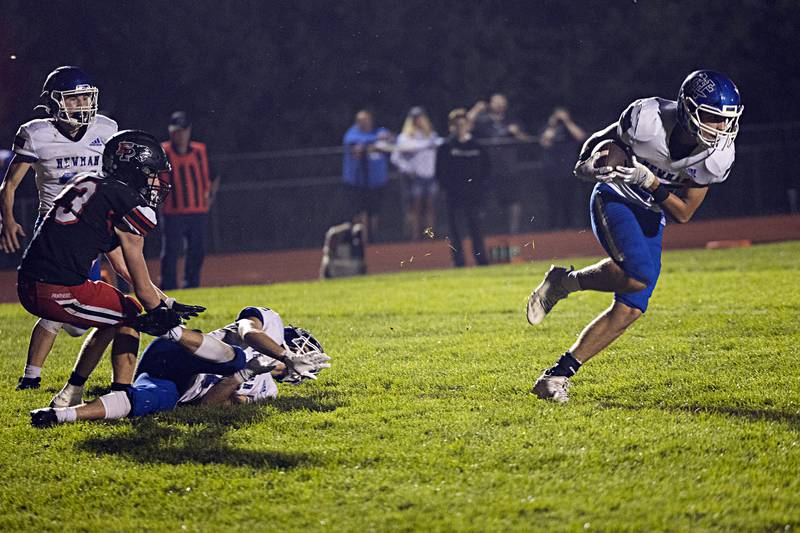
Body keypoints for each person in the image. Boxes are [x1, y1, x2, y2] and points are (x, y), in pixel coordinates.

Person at [526, 70, 743, 402]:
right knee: (639, 275)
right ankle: (562, 285)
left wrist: (652, 184)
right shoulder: (648, 119)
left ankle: (555, 374)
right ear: (687, 109)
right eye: (713, 118)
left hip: (650, 208)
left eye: (727, 120)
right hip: (614, 195)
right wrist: (585, 163)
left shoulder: (717, 155)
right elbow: (603, 137)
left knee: (632, 306)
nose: (721, 128)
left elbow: (683, 213)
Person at [17, 129, 205, 408]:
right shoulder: (125, 200)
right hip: (56, 288)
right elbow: (140, 284)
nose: (155, 181)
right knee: (129, 313)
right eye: (151, 173)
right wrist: (157, 312)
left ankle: (73, 391)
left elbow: (121, 267)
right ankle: (121, 394)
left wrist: (167, 300)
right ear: (134, 170)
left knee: (118, 310)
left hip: (32, 281)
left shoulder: (91, 183)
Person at [0, 66, 118, 390]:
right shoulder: (37, 133)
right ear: (54, 103)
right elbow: (8, 185)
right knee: (58, 303)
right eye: (73, 98)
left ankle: (35, 376)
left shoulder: (106, 129)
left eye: (85, 96)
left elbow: (114, 179)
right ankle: (30, 378)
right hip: (53, 229)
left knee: (72, 317)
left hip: (90, 230)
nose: (81, 104)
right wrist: (7, 220)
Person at [30, 305, 331, 427]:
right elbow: (246, 330)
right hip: (178, 351)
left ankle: (59, 415)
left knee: (148, 402)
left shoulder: (268, 391)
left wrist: (246, 375)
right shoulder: (272, 325)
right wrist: (283, 355)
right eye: (302, 350)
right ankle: (170, 329)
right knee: (236, 357)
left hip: (175, 385)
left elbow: (207, 408)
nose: (303, 356)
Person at [159, 111, 218, 290]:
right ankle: (168, 286)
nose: (181, 135)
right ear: (171, 132)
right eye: (177, 131)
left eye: (183, 130)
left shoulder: (200, 151)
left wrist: (210, 196)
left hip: (197, 210)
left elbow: (215, 175)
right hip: (173, 212)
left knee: (197, 251)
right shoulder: (164, 152)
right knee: (171, 252)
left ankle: (191, 285)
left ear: (189, 130)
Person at [468, 93, 532, 234]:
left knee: (513, 200)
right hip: (486, 169)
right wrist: (476, 109)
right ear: (490, 103)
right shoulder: (482, 121)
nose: (500, 105)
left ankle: (513, 231)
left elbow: (526, 140)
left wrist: (517, 133)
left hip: (509, 168)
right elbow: (464, 128)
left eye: (502, 102)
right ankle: (486, 231)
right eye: (496, 102)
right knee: (486, 202)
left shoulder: (511, 120)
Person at [435, 108, 489, 267]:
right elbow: (440, 172)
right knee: (455, 231)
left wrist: (481, 188)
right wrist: (449, 188)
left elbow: (486, 169)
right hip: (454, 195)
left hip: (474, 195)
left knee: (476, 229)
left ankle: (481, 259)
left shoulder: (476, 146)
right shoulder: (446, 146)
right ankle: (458, 261)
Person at [342, 110, 392, 240]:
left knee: (374, 212)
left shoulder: (378, 131)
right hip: (357, 182)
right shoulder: (352, 133)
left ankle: (372, 239)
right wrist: (375, 140)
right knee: (359, 212)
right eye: (361, 120)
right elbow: (354, 142)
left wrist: (386, 138)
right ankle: (359, 239)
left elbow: (392, 139)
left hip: (376, 182)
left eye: (367, 120)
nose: (364, 123)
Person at [390, 107, 440, 240]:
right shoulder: (405, 137)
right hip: (415, 177)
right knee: (415, 208)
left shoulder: (431, 135)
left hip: (430, 175)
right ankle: (415, 237)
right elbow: (396, 157)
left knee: (430, 208)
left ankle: (430, 237)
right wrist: (407, 168)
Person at [538, 107, 588, 228]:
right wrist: (553, 126)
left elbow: (581, 137)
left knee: (569, 199)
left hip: (569, 168)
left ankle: (569, 226)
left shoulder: (570, 128)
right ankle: (553, 226)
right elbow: (544, 142)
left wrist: (567, 122)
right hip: (552, 170)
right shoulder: (549, 128)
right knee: (553, 200)